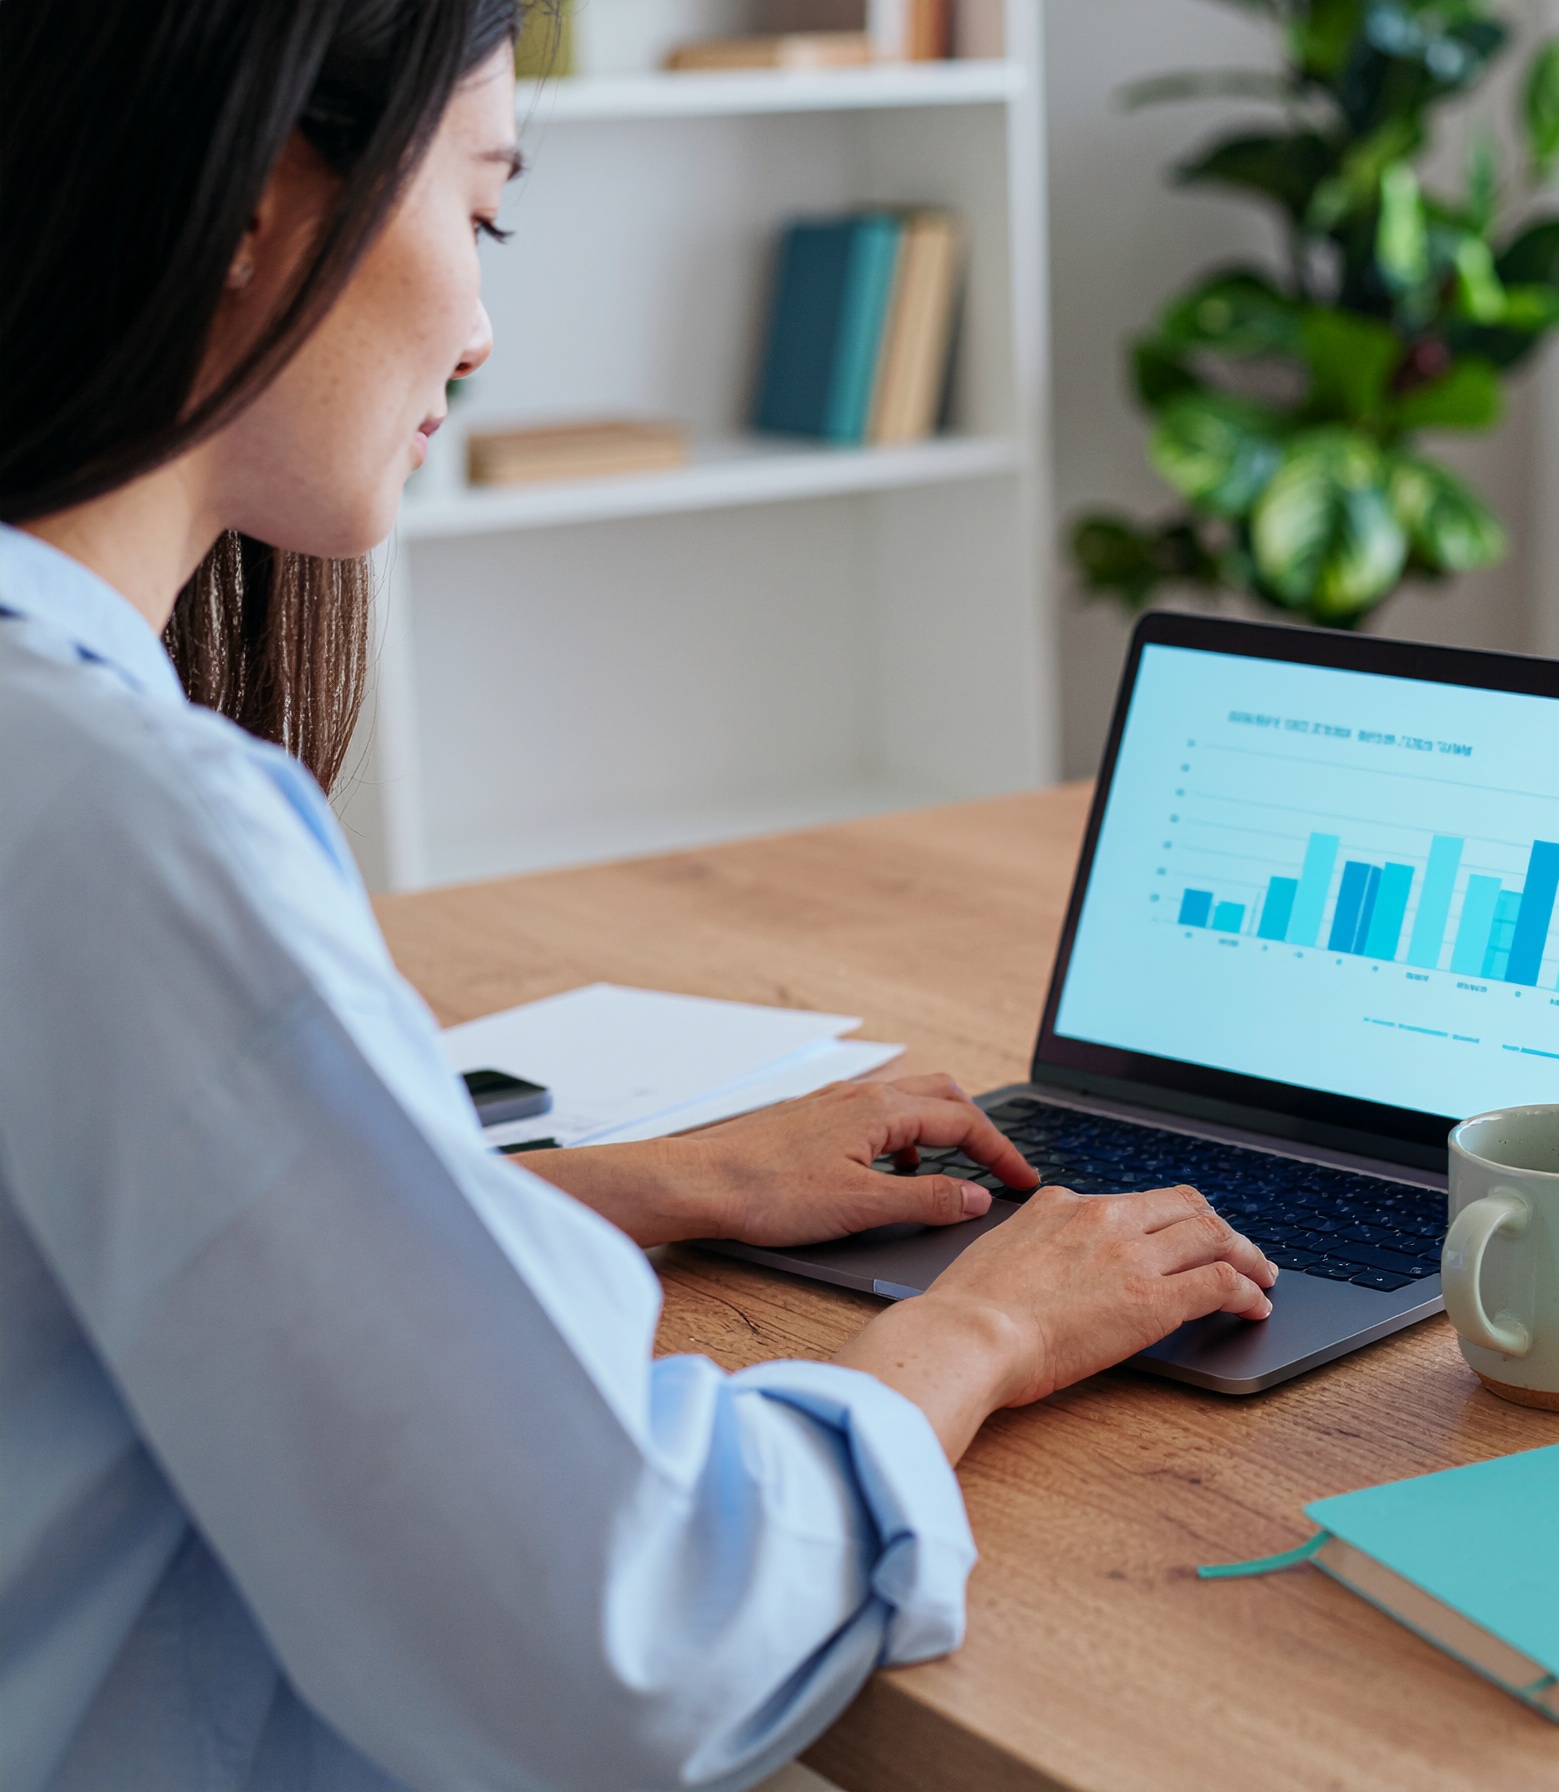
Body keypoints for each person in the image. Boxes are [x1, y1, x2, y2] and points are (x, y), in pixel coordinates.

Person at [0, 4, 1277, 1787]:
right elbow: (618, 1633)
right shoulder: (128, 826)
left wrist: (643, 1188)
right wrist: (981, 1329)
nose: (482, 324)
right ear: (255, 203)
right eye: (484, 211)